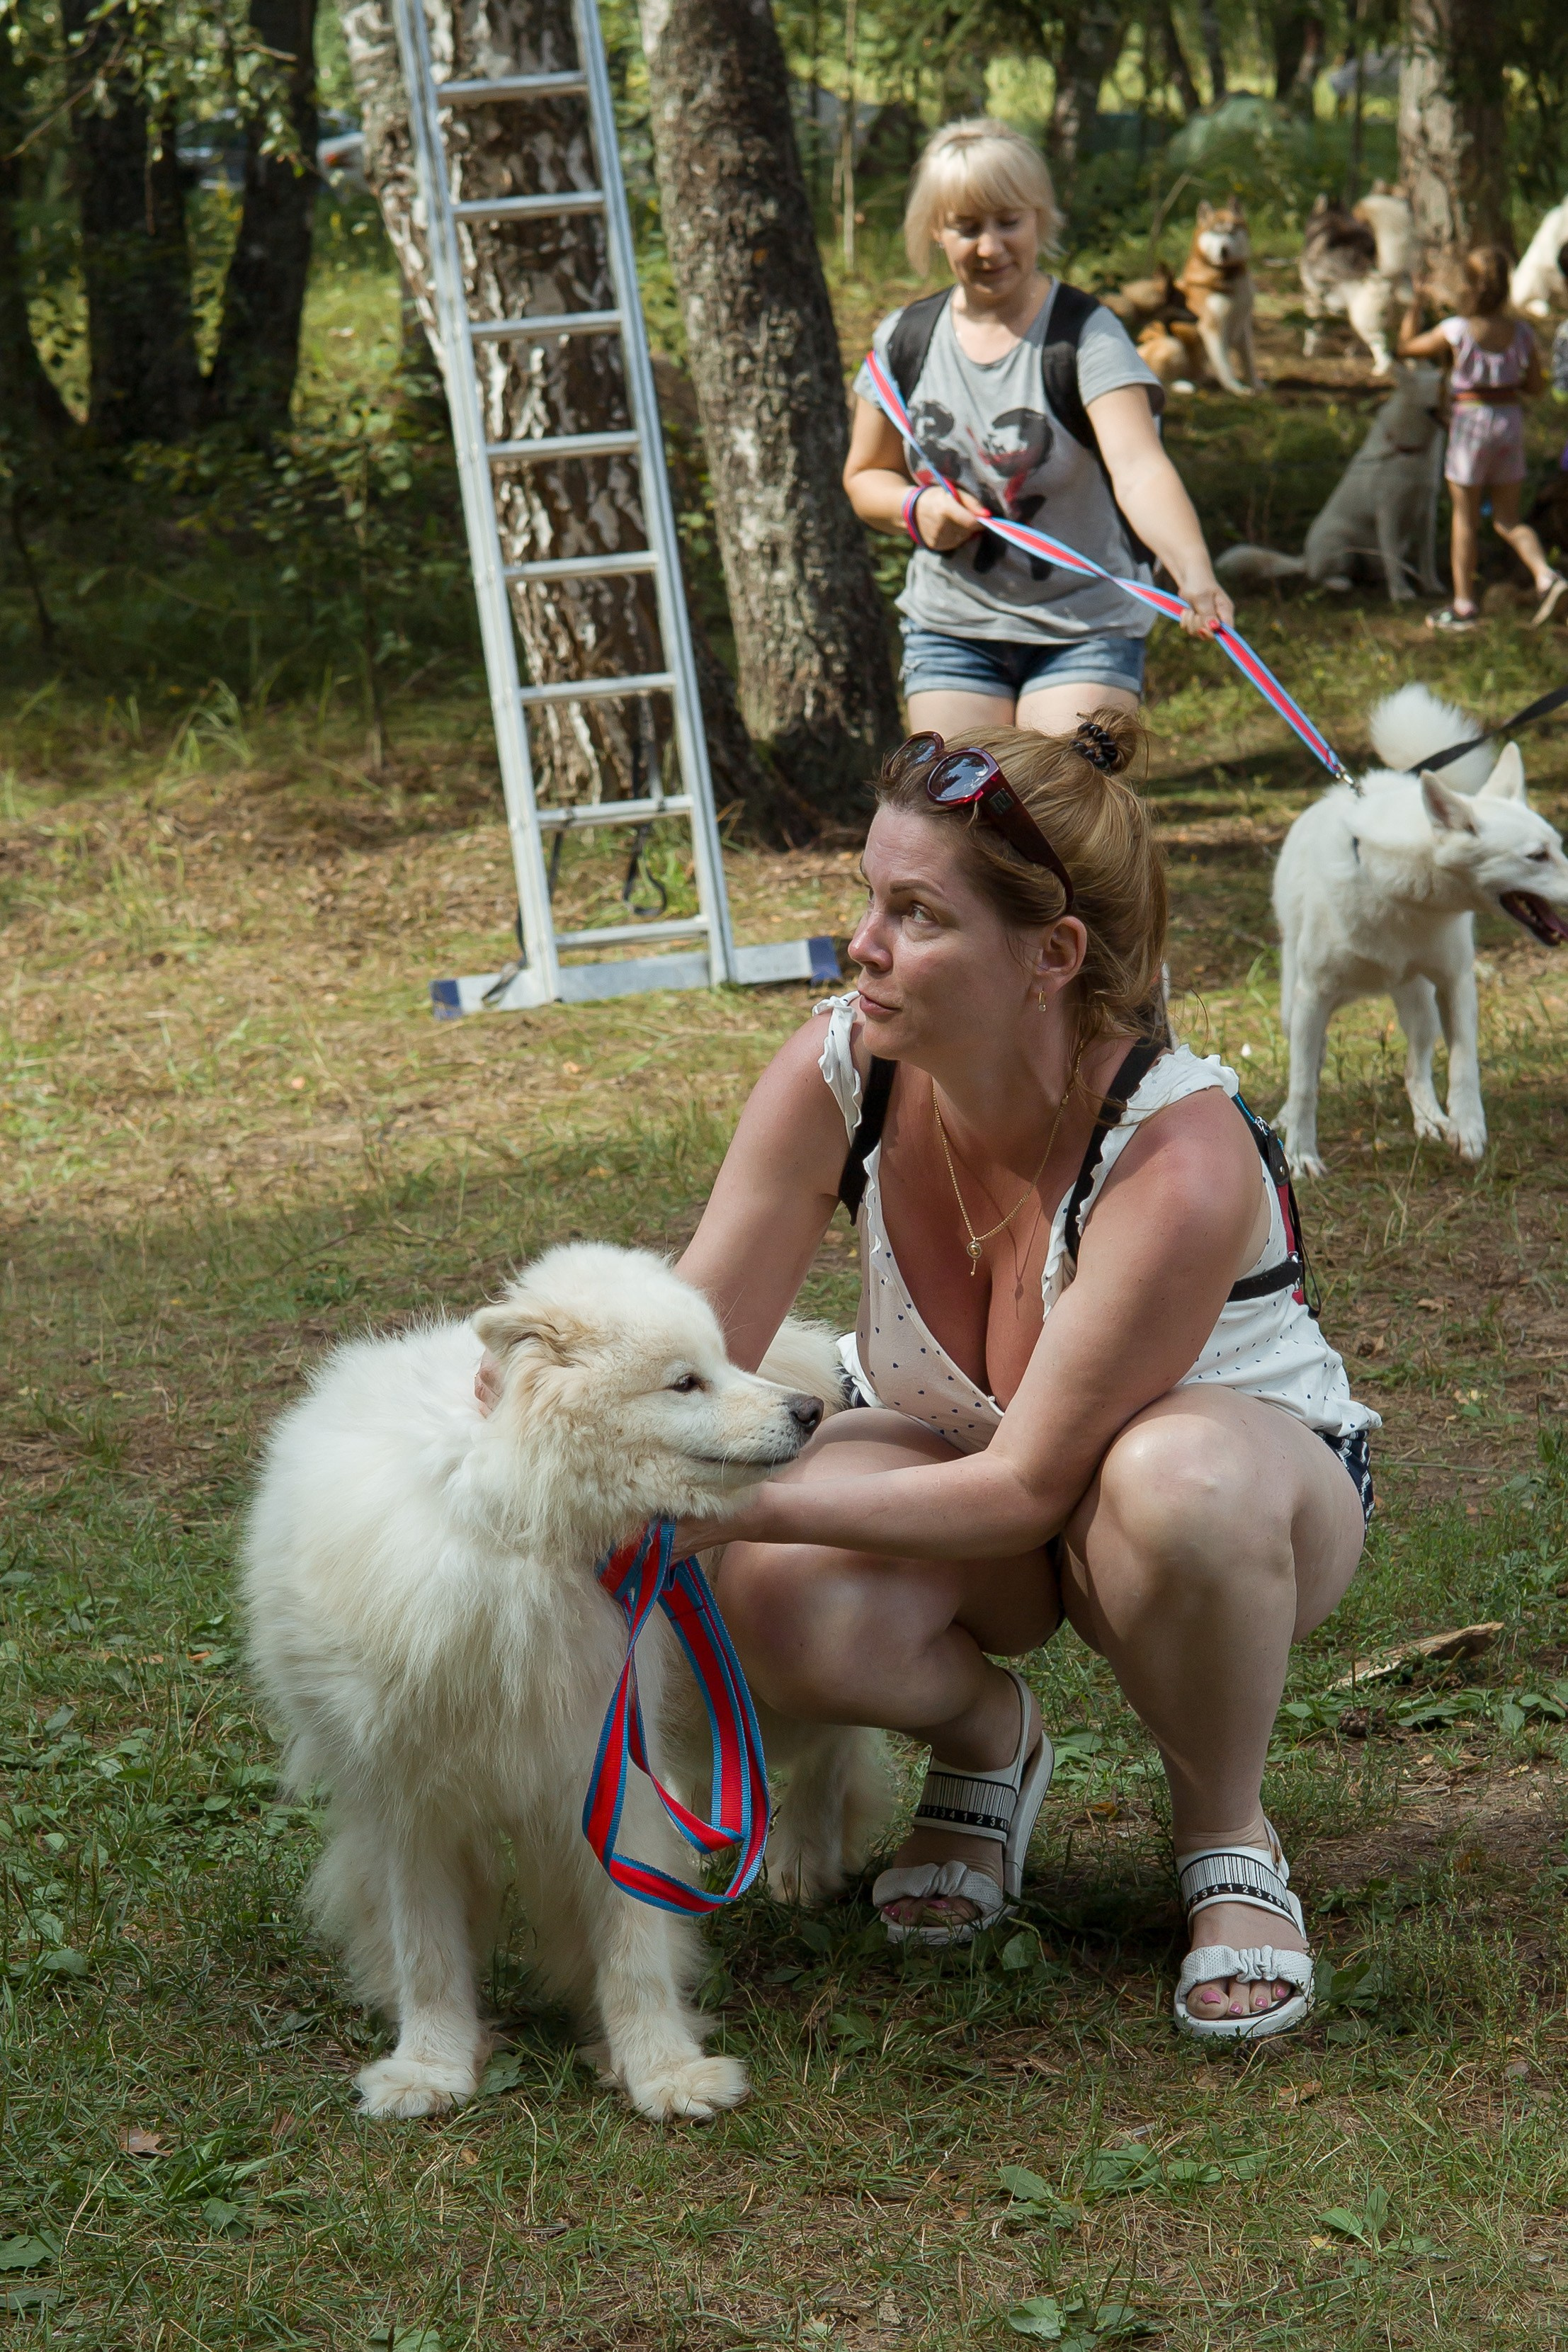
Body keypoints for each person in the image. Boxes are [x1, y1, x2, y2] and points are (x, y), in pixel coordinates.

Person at [659, 715, 1376, 2040]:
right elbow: (684, 1337)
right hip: (967, 1476)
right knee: (780, 1591)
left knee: (1171, 1478)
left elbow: (1028, 1486)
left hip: (1218, 1501)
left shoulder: (1179, 1149)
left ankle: (1224, 1830)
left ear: (1047, 958)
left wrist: (732, 1505)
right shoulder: (838, 1069)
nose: (858, 945)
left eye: (914, 914)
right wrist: (554, 1411)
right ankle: (987, 1744)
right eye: (865, 898)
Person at [842, 119, 1235, 739]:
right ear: (936, 232)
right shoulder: (904, 340)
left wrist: (1195, 575)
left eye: (1008, 222)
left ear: (1039, 219)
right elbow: (865, 475)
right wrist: (918, 510)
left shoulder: (1087, 335)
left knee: (1055, 810)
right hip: (952, 627)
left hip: (1087, 627)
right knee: (959, 816)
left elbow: (1140, 468)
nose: (990, 247)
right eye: (967, 227)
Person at [1398, 244, 1567, 632]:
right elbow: (1536, 386)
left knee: (1466, 518)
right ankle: (1546, 576)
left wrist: (1415, 305)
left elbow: (1405, 348)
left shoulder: (1457, 330)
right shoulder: (1521, 332)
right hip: (1508, 422)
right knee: (1507, 518)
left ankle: (1463, 605)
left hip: (1470, 424)